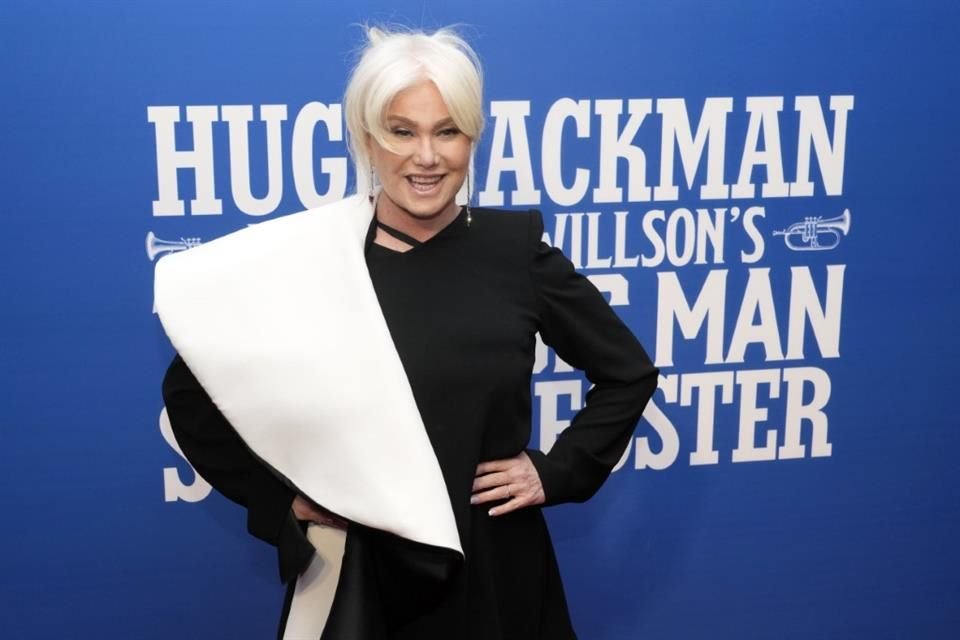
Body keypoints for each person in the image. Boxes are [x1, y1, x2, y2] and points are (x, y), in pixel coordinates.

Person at [157, 25, 658, 640]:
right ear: (367, 140)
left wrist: (555, 472)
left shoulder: (514, 252)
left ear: (472, 138)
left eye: (447, 131)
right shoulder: (311, 257)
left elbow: (627, 373)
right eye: (402, 131)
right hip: (358, 573)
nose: (427, 157)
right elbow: (191, 397)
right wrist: (281, 500)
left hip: (493, 568)